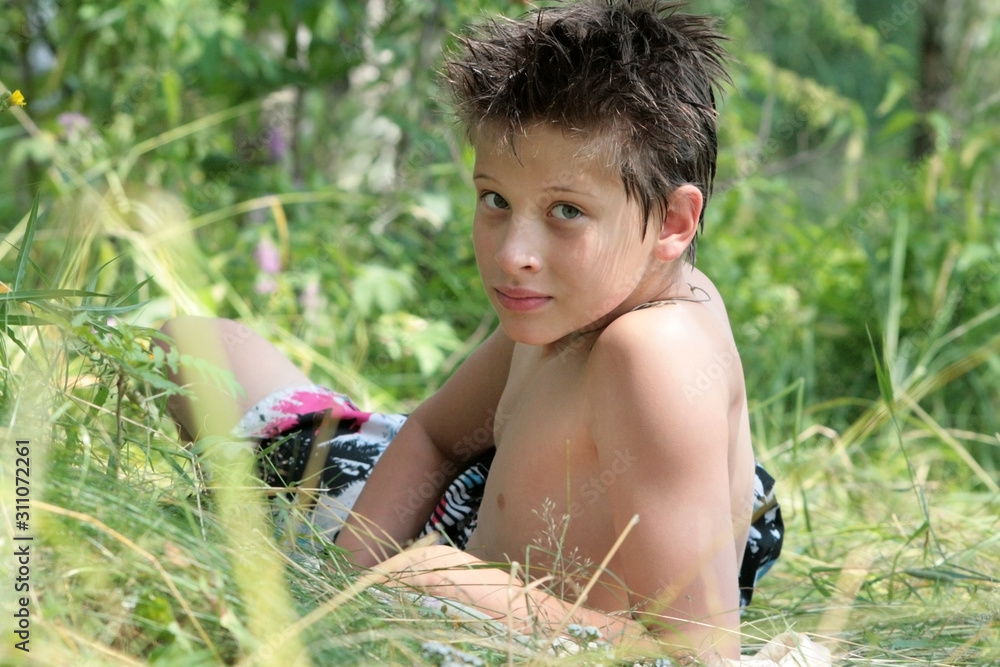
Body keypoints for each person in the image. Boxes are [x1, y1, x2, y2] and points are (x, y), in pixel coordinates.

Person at [159, 0, 783, 662]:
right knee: (190, 347)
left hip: (534, 617)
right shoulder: (575, 299)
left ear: (674, 223)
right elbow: (432, 437)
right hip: (459, 521)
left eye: (566, 210)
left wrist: (440, 583)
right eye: (496, 200)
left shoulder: (656, 351)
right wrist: (334, 591)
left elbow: (697, 653)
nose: (513, 251)